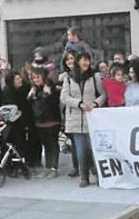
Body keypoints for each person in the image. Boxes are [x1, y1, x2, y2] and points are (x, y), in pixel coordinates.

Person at [60, 52, 106, 187]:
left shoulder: (95, 76)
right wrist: (78, 103)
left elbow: (103, 94)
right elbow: (64, 97)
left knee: (93, 149)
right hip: (75, 118)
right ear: (78, 62)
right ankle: (84, 177)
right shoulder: (69, 77)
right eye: (83, 60)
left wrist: (95, 103)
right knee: (80, 150)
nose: (85, 63)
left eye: (88, 60)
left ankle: (99, 175)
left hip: (91, 118)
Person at [27, 68, 61, 179]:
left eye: (38, 77)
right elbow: (30, 105)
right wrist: (30, 95)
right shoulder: (34, 90)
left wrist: (49, 94)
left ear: (43, 77)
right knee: (46, 146)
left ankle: (54, 168)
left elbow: (56, 103)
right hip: (39, 122)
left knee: (53, 145)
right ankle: (48, 167)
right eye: (34, 78)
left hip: (52, 121)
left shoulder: (51, 87)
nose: (36, 80)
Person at [3, 70, 38, 169]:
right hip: (15, 120)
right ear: (11, 81)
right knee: (19, 142)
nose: (20, 80)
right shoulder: (7, 91)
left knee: (32, 140)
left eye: (20, 78)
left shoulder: (25, 87)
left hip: (28, 116)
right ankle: (18, 164)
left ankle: (32, 162)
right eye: (17, 79)